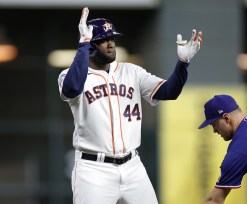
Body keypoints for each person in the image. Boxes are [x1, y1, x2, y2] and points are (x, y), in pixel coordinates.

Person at [57, 7, 202, 204]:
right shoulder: (70, 75)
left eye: (112, 39)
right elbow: (71, 89)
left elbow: (169, 92)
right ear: (90, 46)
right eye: (104, 40)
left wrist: (182, 63)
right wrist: (83, 43)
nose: (111, 44)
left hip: (132, 165)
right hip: (94, 170)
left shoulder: (131, 72)